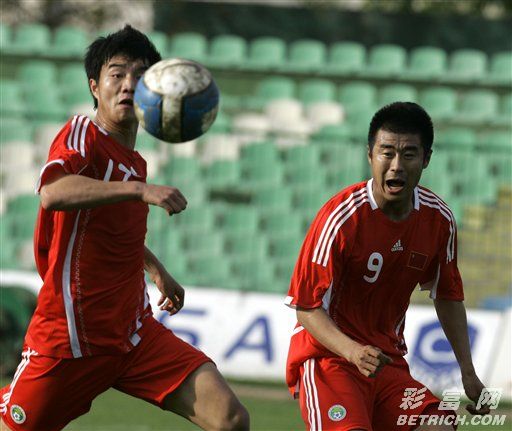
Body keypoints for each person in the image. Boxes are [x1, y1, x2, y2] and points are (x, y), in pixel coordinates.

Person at [0, 25, 249, 431]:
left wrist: (156, 269)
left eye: (141, 75)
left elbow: (111, 231)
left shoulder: (135, 164)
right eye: (117, 74)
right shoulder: (84, 134)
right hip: (71, 340)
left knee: (231, 419)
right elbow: (53, 192)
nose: (129, 84)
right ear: (95, 87)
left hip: (134, 335)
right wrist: (139, 191)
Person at [285, 102, 490, 431]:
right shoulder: (340, 218)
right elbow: (306, 308)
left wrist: (467, 370)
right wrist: (353, 352)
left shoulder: (438, 220)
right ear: (370, 155)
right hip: (330, 360)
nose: (396, 166)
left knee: (438, 426)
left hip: (386, 363)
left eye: (408, 154)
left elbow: (448, 296)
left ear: (426, 159)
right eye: (387, 153)